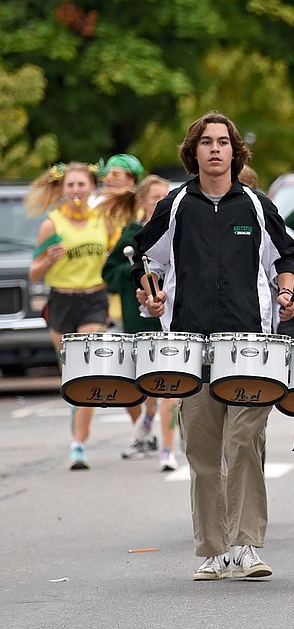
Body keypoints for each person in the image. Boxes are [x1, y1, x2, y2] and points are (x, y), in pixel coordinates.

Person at [133, 112, 294, 581]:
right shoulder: (175, 205)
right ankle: (212, 550)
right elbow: (144, 258)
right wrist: (150, 291)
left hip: (251, 346)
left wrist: (286, 293)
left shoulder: (254, 204)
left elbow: (285, 258)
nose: (214, 149)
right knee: (204, 455)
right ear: (194, 151)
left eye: (222, 142)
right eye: (205, 142)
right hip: (190, 347)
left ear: (234, 151)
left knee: (244, 440)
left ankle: (246, 546)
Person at [27, 162, 116, 470]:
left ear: (92, 188)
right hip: (61, 302)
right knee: (71, 375)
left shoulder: (102, 220)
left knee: (86, 370)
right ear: (62, 190)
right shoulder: (52, 225)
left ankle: (79, 443)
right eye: (71, 185)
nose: (76, 191)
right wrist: (48, 259)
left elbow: (117, 252)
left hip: (94, 299)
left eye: (82, 185)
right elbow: (34, 272)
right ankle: (77, 427)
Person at [102, 175, 182, 472]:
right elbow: (109, 273)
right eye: (154, 197)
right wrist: (137, 273)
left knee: (171, 386)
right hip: (139, 322)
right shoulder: (132, 235)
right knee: (148, 385)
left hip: (172, 319)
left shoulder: (177, 231)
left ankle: (167, 450)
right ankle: (148, 417)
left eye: (166, 197)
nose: (160, 202)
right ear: (141, 202)